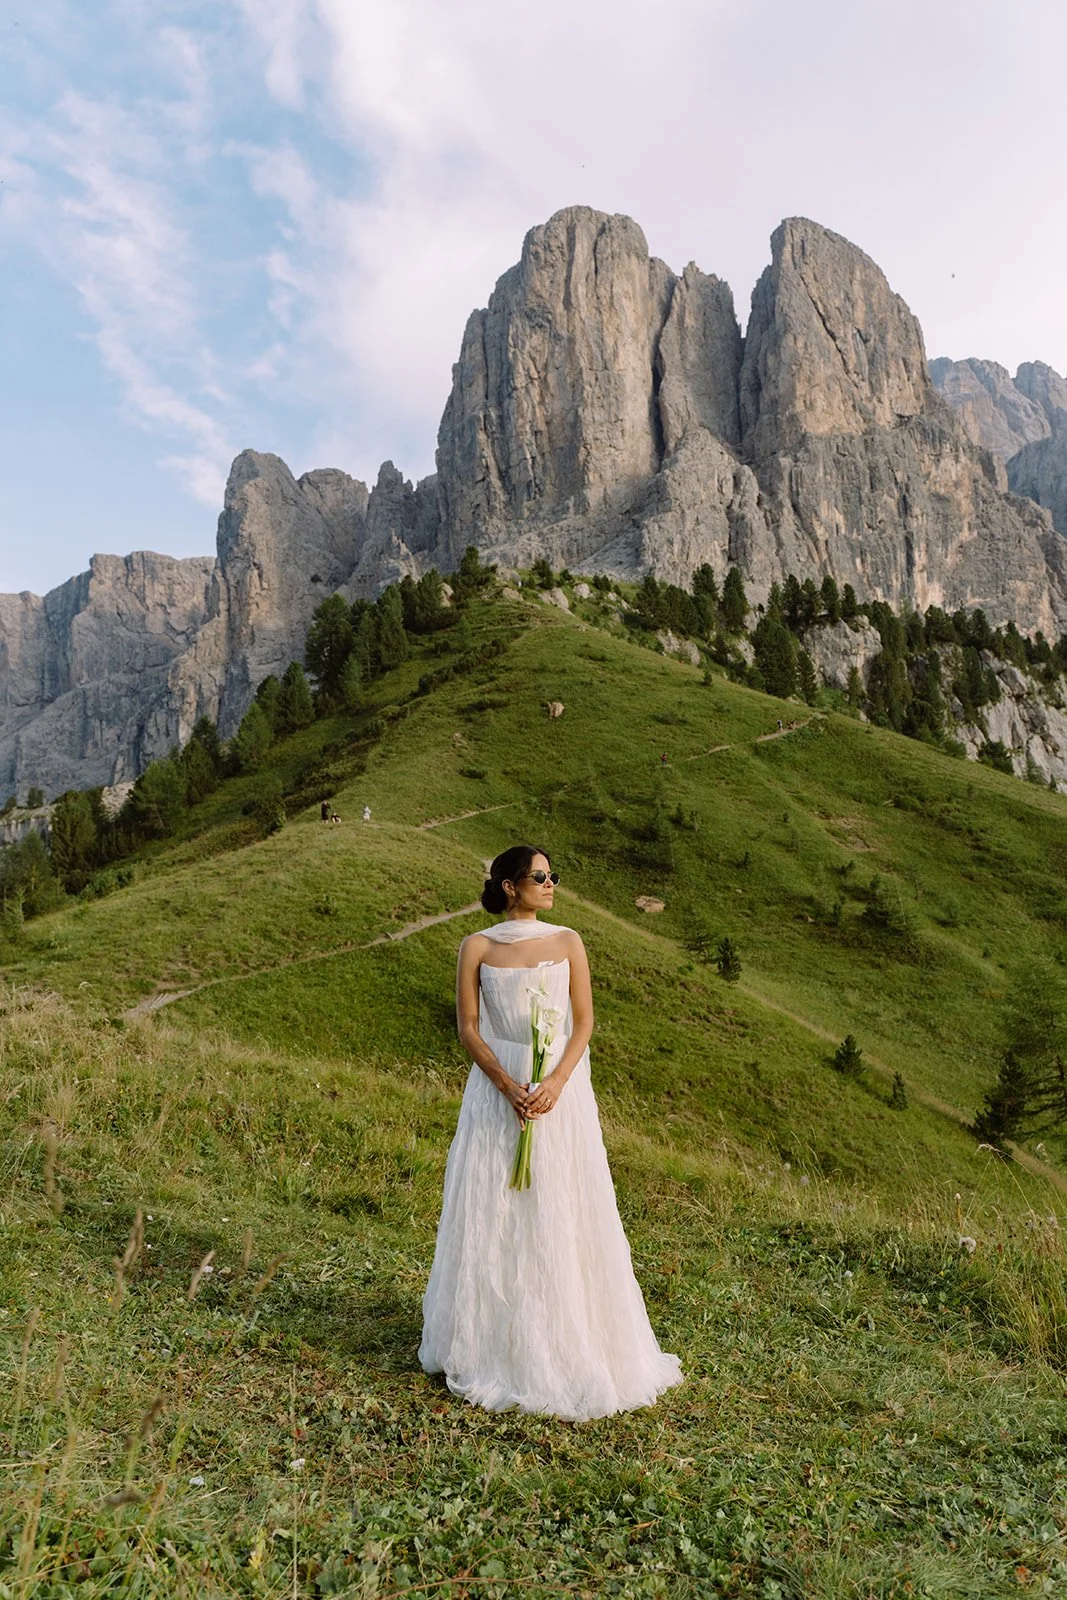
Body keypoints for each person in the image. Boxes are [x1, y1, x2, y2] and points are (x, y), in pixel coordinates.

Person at [419, 844, 682, 1420]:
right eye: (540, 877)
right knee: (495, 1205)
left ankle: (567, 1335)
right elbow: (467, 1027)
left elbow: (583, 1021)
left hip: (559, 1091)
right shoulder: (477, 947)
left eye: (552, 875)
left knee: (558, 1206)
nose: (551, 884)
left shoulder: (568, 942)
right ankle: (490, 1338)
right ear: (510, 886)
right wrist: (507, 1085)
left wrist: (557, 1082)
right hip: (497, 1088)